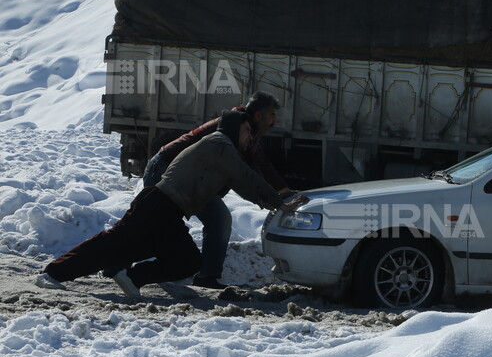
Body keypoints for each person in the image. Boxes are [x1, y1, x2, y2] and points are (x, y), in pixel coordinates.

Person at [35, 112, 305, 297]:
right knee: (113, 243)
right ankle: (53, 273)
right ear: (234, 129)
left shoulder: (224, 153)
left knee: (187, 261)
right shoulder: (219, 142)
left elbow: (243, 184)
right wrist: (278, 202)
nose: (250, 136)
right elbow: (246, 177)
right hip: (157, 204)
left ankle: (132, 277)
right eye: (246, 130)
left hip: (170, 213)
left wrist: (273, 200)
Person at [140, 91, 293, 289]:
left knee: (218, 219)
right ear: (258, 116)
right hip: (165, 171)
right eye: (272, 115)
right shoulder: (234, 128)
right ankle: (120, 265)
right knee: (153, 225)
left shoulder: (245, 130)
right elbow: (246, 173)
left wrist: (284, 192)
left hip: (192, 180)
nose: (274, 121)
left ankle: (207, 276)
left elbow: (259, 163)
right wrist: (278, 199)